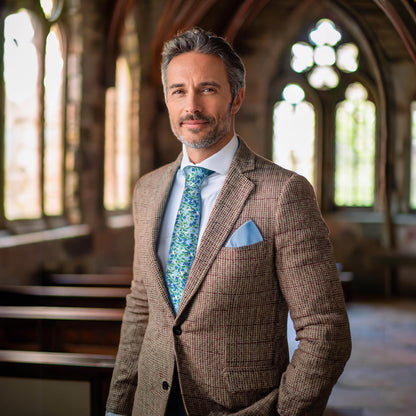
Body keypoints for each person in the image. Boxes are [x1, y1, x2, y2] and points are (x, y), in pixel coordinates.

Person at [106, 27, 351, 416]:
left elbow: (326, 331)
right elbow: (141, 307)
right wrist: (118, 406)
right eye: (179, 91)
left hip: (240, 407)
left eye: (208, 89)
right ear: (167, 100)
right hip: (149, 405)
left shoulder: (284, 193)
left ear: (236, 97)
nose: (192, 107)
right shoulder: (147, 190)